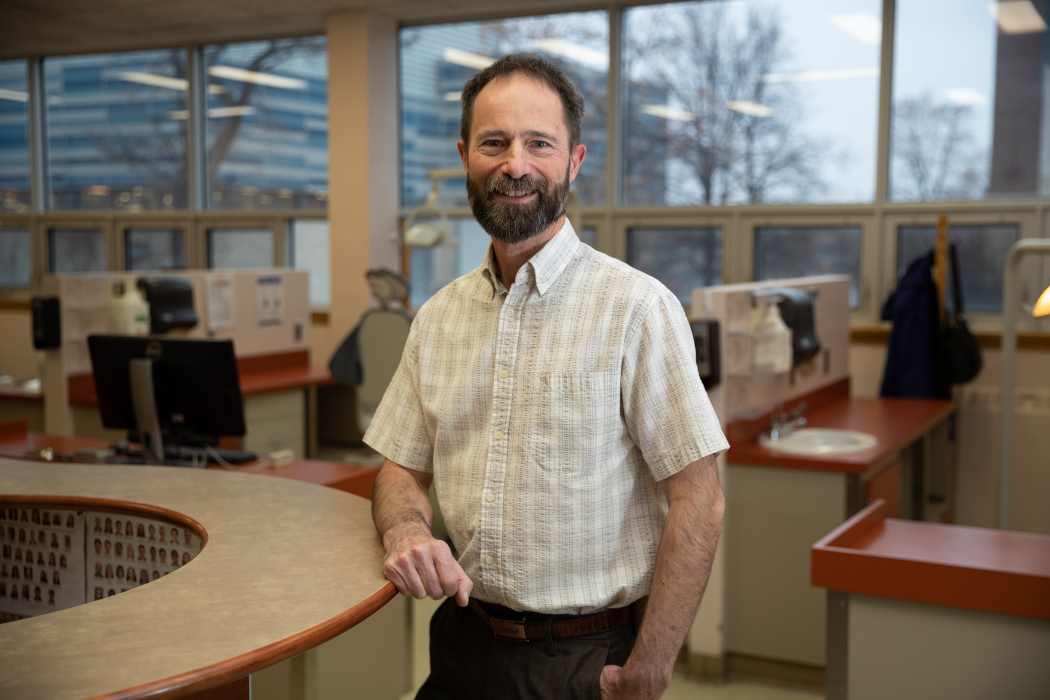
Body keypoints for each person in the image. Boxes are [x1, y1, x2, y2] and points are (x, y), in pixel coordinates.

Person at [365, 54, 727, 700]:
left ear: (574, 162)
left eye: (539, 143)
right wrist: (406, 529)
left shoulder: (637, 310)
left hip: (584, 659)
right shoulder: (437, 319)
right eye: (494, 143)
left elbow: (700, 499)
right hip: (460, 642)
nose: (515, 165)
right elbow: (400, 468)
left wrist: (651, 666)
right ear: (465, 155)